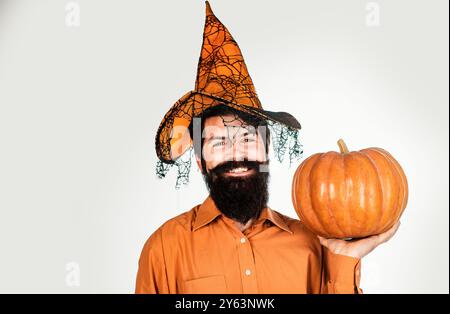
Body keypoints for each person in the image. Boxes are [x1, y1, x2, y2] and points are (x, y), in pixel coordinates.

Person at [135, 1, 399, 294]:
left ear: (266, 150)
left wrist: (344, 259)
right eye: (219, 142)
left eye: (247, 139)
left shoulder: (315, 244)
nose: (237, 154)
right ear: (200, 161)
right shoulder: (164, 248)